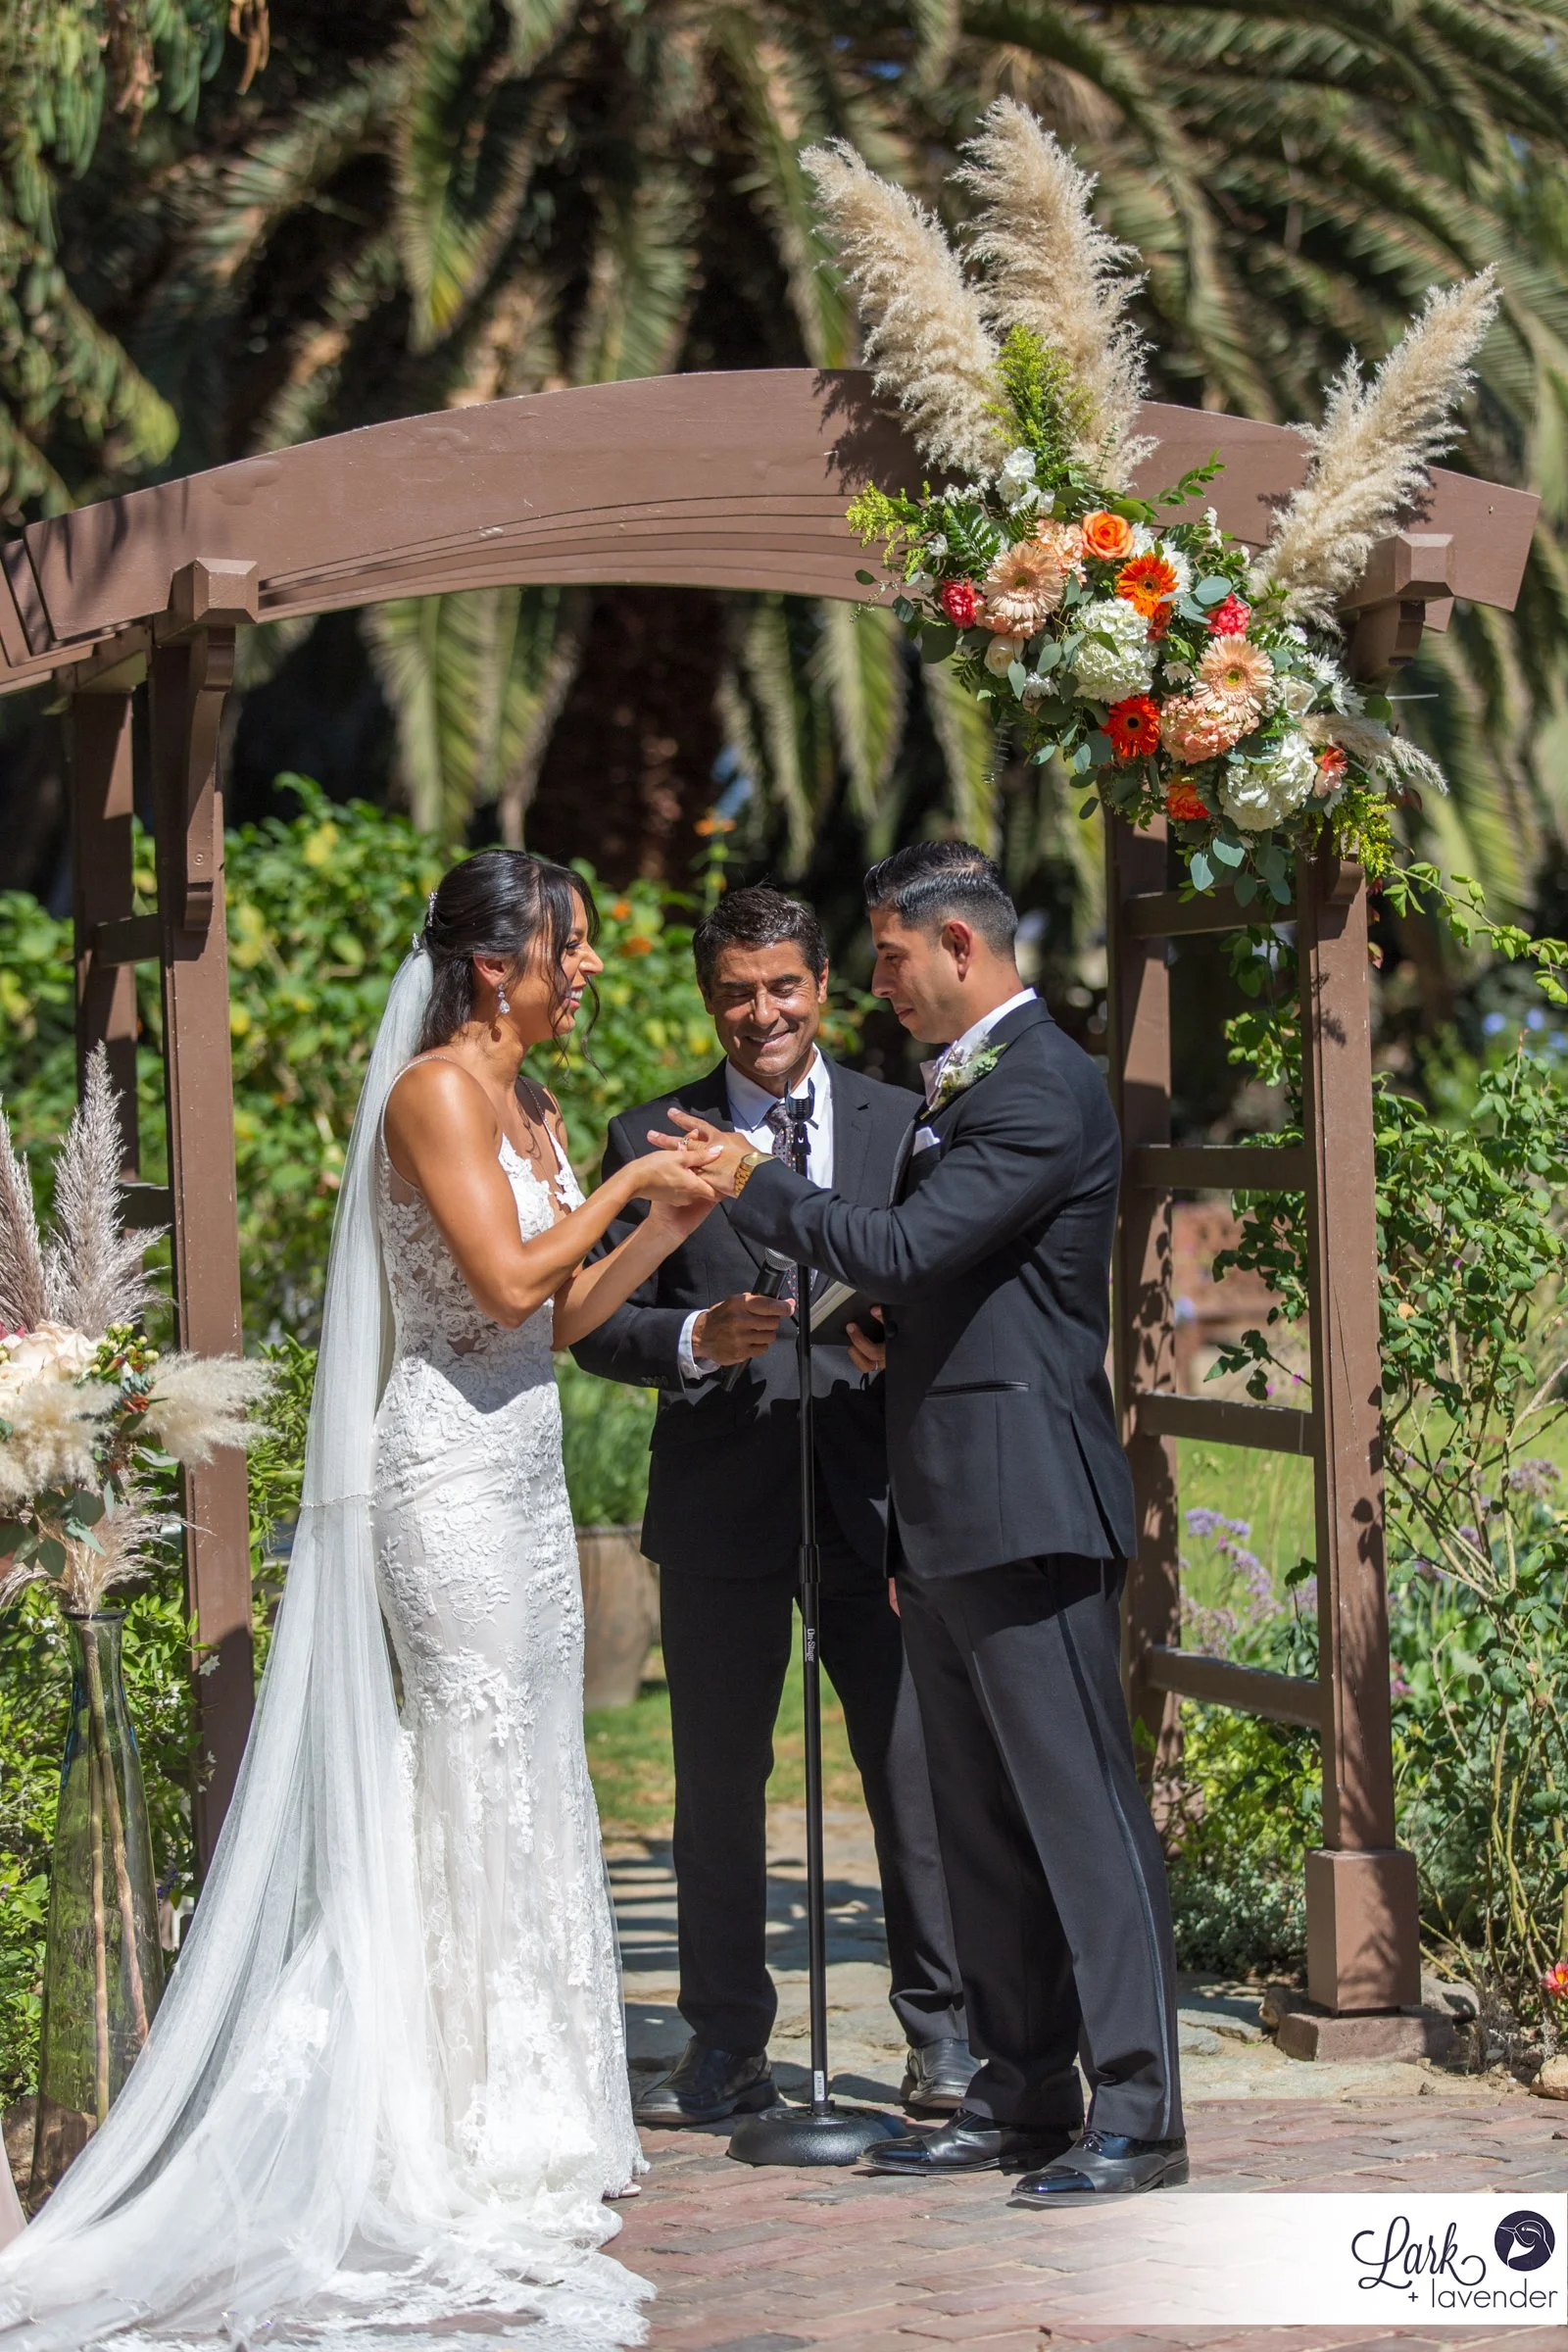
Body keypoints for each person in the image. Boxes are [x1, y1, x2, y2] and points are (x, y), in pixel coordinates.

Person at [0, 850, 722, 2349]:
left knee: (532, 1765)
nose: (589, 966)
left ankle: (530, 2100)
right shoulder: (434, 1097)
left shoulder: (529, 1100)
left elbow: (562, 1319)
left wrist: (666, 1221)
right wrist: (633, 1182)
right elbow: (500, 1283)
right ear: (494, 965)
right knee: (464, 1762)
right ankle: (441, 2110)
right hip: (443, 1472)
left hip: (525, 1467)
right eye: (571, 945)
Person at [659, 842, 1186, 2206]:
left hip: (1026, 1501)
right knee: (983, 1825)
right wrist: (896, 1333)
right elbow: (957, 1278)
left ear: (959, 945)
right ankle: (1019, 2093)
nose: (879, 984)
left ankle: (1139, 2114)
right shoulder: (975, 1084)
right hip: (944, 1508)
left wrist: (752, 1179)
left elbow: (901, 1245)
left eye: (889, 958)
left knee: (1078, 1818)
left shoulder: (1042, 1083)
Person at [572, 886, 972, 2128]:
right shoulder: (646, 1134)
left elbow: (952, 1281)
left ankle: (944, 2034)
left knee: (911, 1774)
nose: (762, 1013)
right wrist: (695, 1335)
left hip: (877, 1499)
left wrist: (896, 1335)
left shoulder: (903, 1119)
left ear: (822, 987)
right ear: (710, 998)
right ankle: (724, 2043)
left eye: (783, 986)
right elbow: (591, 1321)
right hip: (719, 1504)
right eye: (738, 993)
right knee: (715, 1786)